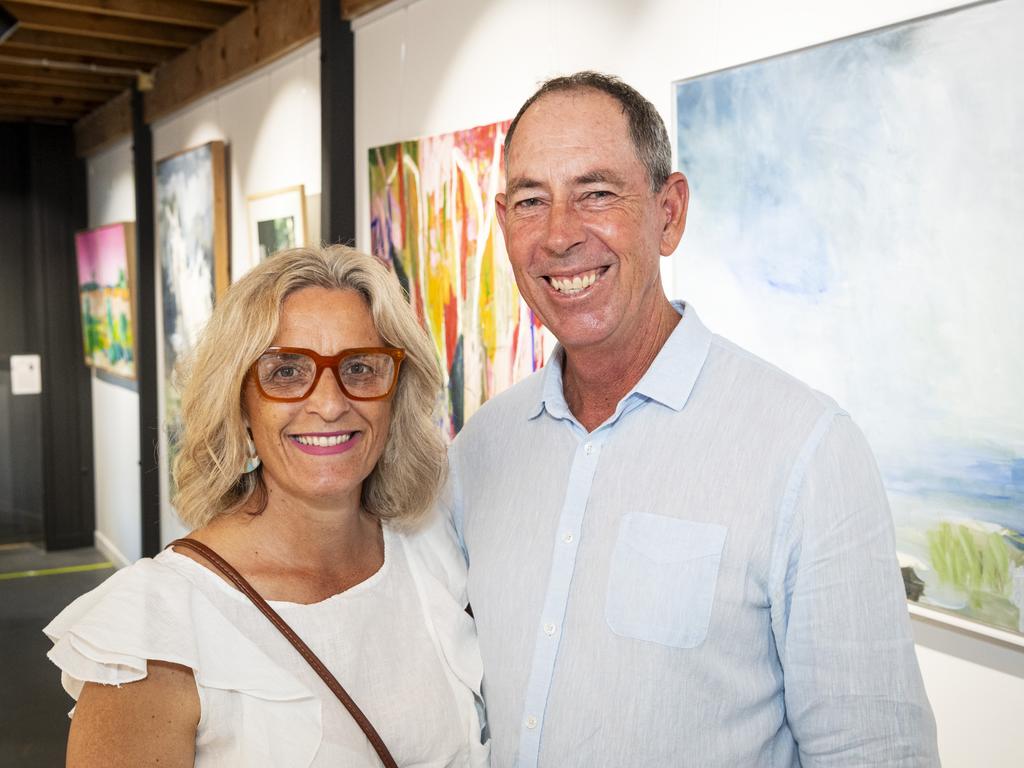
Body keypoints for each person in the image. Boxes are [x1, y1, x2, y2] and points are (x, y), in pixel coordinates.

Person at [446, 72, 939, 766]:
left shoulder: (807, 451)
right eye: (532, 200)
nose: (558, 236)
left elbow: (875, 752)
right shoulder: (480, 453)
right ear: (504, 224)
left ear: (669, 213)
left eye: (596, 193)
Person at [45, 246, 489, 767]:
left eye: (361, 367)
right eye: (286, 372)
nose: (329, 404)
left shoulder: (432, 549)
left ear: (396, 391)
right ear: (239, 402)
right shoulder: (156, 629)